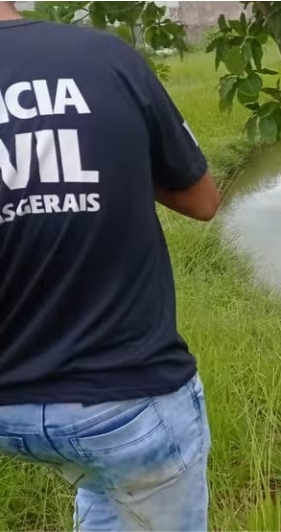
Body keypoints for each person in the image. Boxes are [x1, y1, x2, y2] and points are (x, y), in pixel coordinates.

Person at [0, 3, 220, 530]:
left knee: (102, 488)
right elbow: (203, 200)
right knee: (121, 469)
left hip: (9, 405)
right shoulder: (105, 58)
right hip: (125, 399)